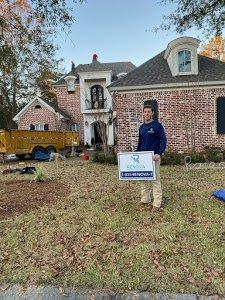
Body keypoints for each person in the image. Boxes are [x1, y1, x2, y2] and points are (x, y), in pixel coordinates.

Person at [136, 105, 167, 212]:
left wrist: (159, 153)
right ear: (143, 113)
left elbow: (163, 140)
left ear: (152, 113)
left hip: (154, 157)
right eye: (145, 112)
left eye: (149, 111)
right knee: (142, 179)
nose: (147, 113)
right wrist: (136, 155)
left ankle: (157, 203)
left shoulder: (157, 126)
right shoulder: (141, 127)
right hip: (143, 158)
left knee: (155, 180)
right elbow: (140, 143)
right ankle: (145, 199)